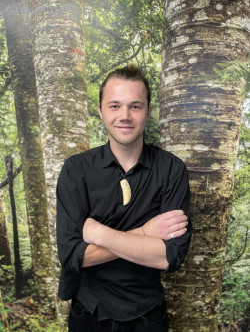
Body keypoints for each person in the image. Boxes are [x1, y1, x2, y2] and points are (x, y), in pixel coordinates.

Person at [56, 64, 192, 331]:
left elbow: (170, 257)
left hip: (147, 316)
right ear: (100, 111)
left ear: (148, 112)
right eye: (115, 106)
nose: (125, 116)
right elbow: (73, 256)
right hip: (88, 314)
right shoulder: (76, 169)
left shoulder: (172, 169)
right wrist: (145, 233)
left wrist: (99, 233)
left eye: (135, 106)